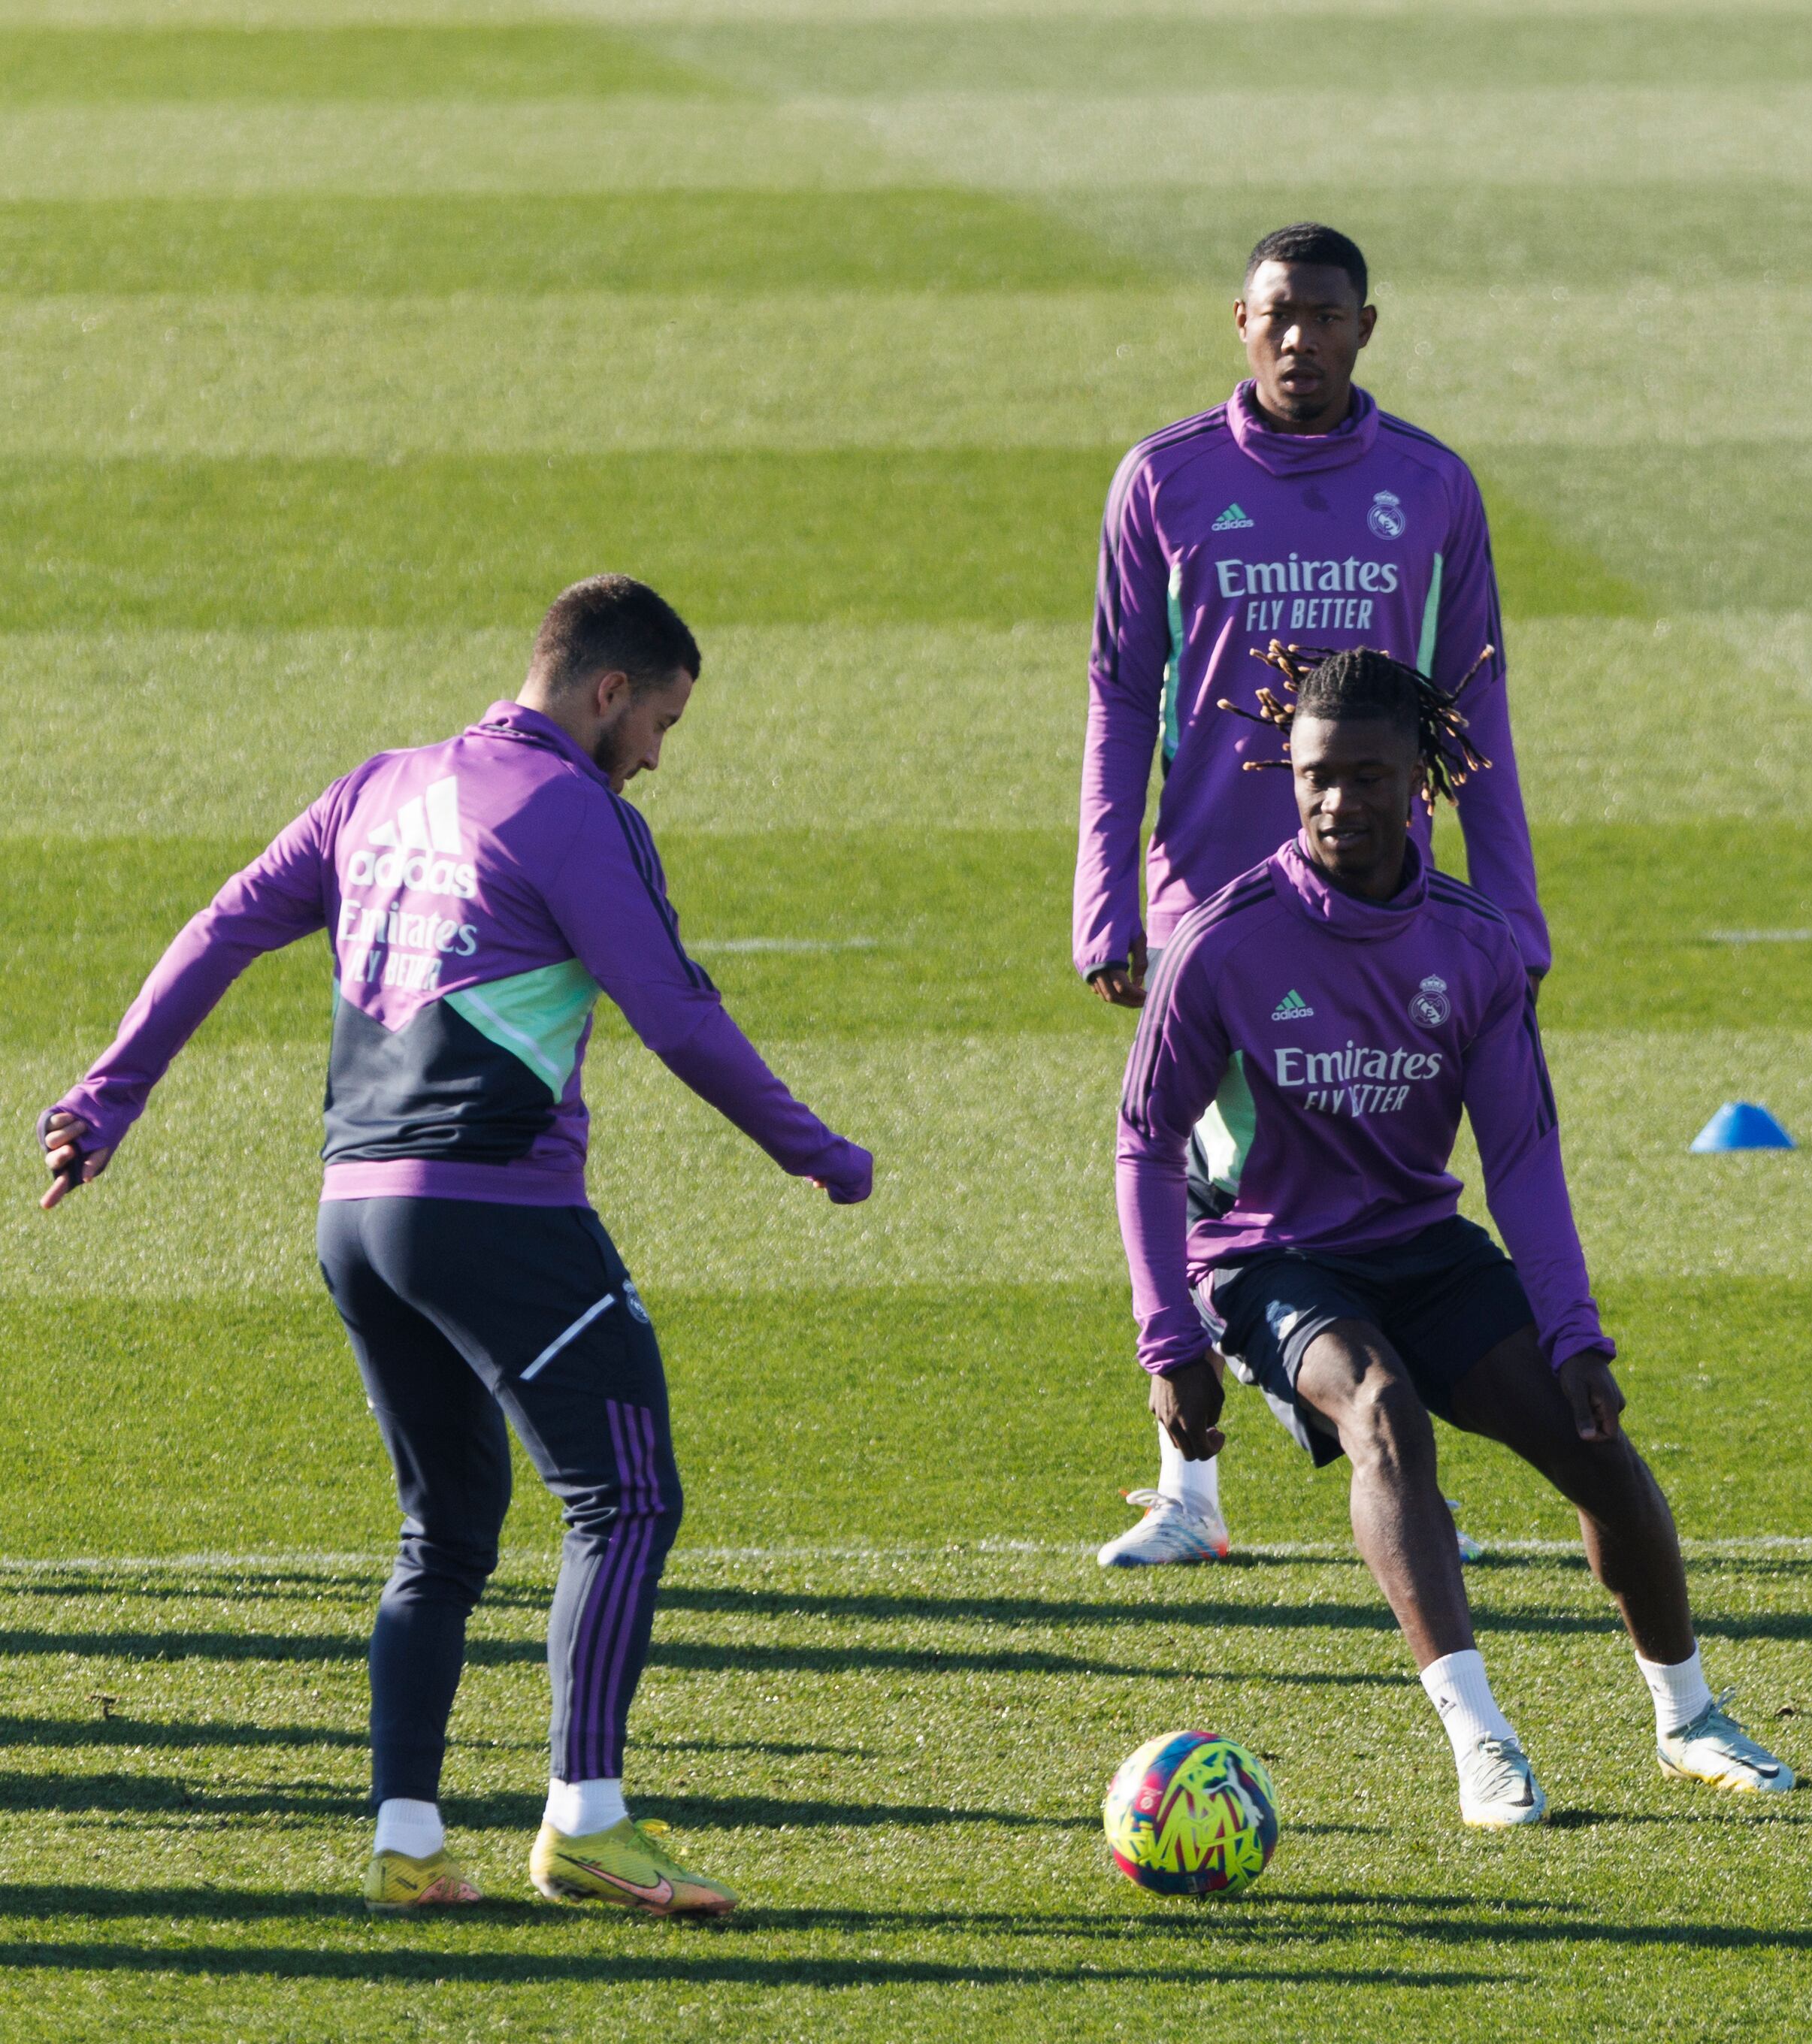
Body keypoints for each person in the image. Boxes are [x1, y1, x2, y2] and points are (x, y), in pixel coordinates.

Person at [37, 576, 873, 1916]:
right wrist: (818, 1152)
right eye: (661, 721)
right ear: (608, 691)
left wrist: (106, 1097)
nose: (659, 754)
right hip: (494, 1209)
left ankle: (409, 1843)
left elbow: (221, 926)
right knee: (628, 1495)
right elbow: (678, 1016)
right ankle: (587, 1822)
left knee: (448, 1531)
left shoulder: (379, 787)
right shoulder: (574, 814)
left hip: (354, 1217)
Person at [1113, 644, 1786, 1825]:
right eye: (1317, 777)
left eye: (1367, 777)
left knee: (1596, 1452)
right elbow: (1145, 1144)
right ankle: (1483, 1742)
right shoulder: (1223, 944)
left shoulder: (1474, 948)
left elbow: (1522, 1158)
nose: (1338, 802)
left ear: (1418, 783)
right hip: (1271, 1258)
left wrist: (1574, 1333)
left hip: (1422, 1239)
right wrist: (1168, 1340)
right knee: (1382, 1411)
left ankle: (1687, 1718)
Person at [1078, 222, 1549, 1568]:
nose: (1302, 339)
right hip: (1209, 894)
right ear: (1240, 321)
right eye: (1279, 315)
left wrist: (1511, 905)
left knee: (1374, 1142)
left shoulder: (1431, 485)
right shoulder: (1163, 481)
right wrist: (1103, 899)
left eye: (1327, 316)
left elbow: (1478, 707)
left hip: (1384, 890)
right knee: (1211, 1164)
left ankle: (1367, 1418)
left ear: (1365, 327)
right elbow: (1120, 695)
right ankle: (1195, 1481)